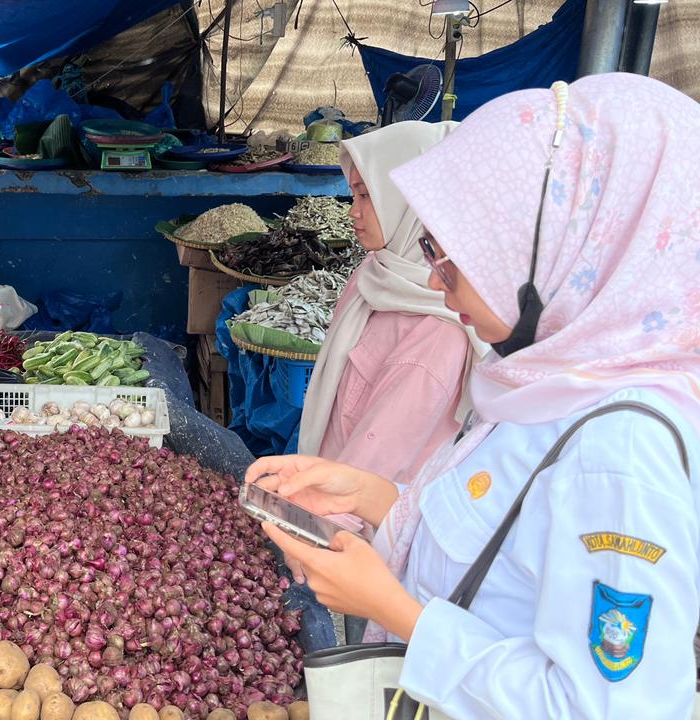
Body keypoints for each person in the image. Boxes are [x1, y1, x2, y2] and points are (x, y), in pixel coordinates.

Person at [247, 73, 700, 718]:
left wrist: (394, 611)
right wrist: (372, 497)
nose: (437, 283)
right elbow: (503, 543)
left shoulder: (621, 454)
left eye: (457, 255)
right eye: (431, 248)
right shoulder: (544, 382)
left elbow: (608, 708)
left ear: (562, 254)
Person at [296, 120, 486, 491]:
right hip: (327, 484)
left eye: (366, 196)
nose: (353, 211)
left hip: (356, 526)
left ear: (410, 203)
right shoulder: (376, 274)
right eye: (354, 195)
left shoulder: (437, 332)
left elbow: (369, 472)